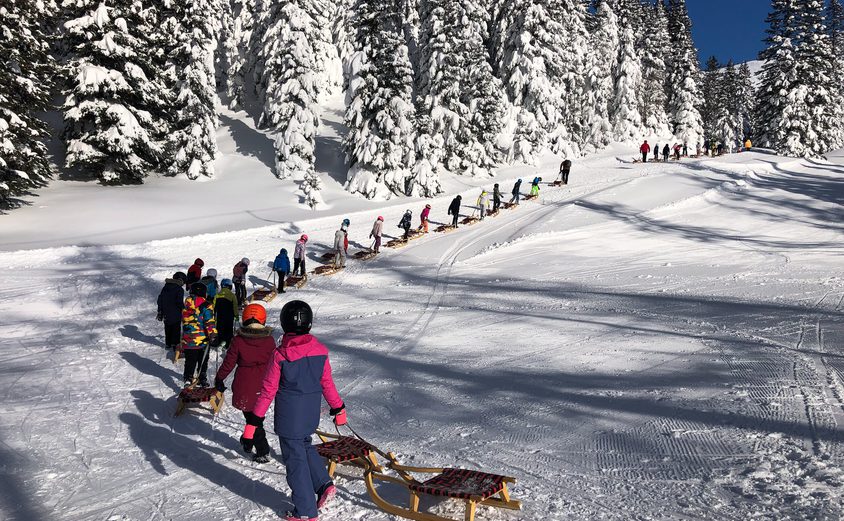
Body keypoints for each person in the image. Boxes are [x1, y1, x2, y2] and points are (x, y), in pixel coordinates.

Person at [246, 300, 346, 521]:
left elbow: (268, 390)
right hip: (310, 415)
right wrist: (338, 407)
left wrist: (253, 421)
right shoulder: (320, 351)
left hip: (289, 418)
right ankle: (323, 484)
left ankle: (305, 512)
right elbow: (327, 383)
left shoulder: (281, 355)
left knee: (295, 461)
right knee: (306, 446)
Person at [214, 303, 276, 463]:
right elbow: (275, 363)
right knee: (255, 417)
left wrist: (219, 378)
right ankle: (247, 440)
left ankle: (262, 450)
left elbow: (229, 362)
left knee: (252, 418)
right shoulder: (269, 341)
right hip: (264, 385)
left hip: (245, 385)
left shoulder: (239, 340)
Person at [182, 283, 217, 387]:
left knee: (190, 360)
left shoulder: (186, 306)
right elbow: (209, 322)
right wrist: (213, 334)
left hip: (188, 339)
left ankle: (188, 378)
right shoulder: (207, 305)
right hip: (202, 339)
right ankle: (202, 378)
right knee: (203, 360)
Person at [157, 272, 186, 350]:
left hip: (166, 312)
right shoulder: (179, 289)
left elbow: (160, 299)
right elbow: (179, 301)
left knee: (168, 327)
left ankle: (168, 343)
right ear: (181, 280)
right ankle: (175, 344)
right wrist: (184, 308)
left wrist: (160, 311)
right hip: (176, 312)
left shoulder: (165, 287)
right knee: (176, 328)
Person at [215, 279, 238, 350]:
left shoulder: (217, 295)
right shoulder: (232, 295)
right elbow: (235, 306)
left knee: (220, 328)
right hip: (229, 316)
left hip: (220, 316)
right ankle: (227, 343)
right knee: (228, 329)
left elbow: (213, 306)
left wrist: (213, 315)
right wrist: (236, 315)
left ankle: (219, 341)